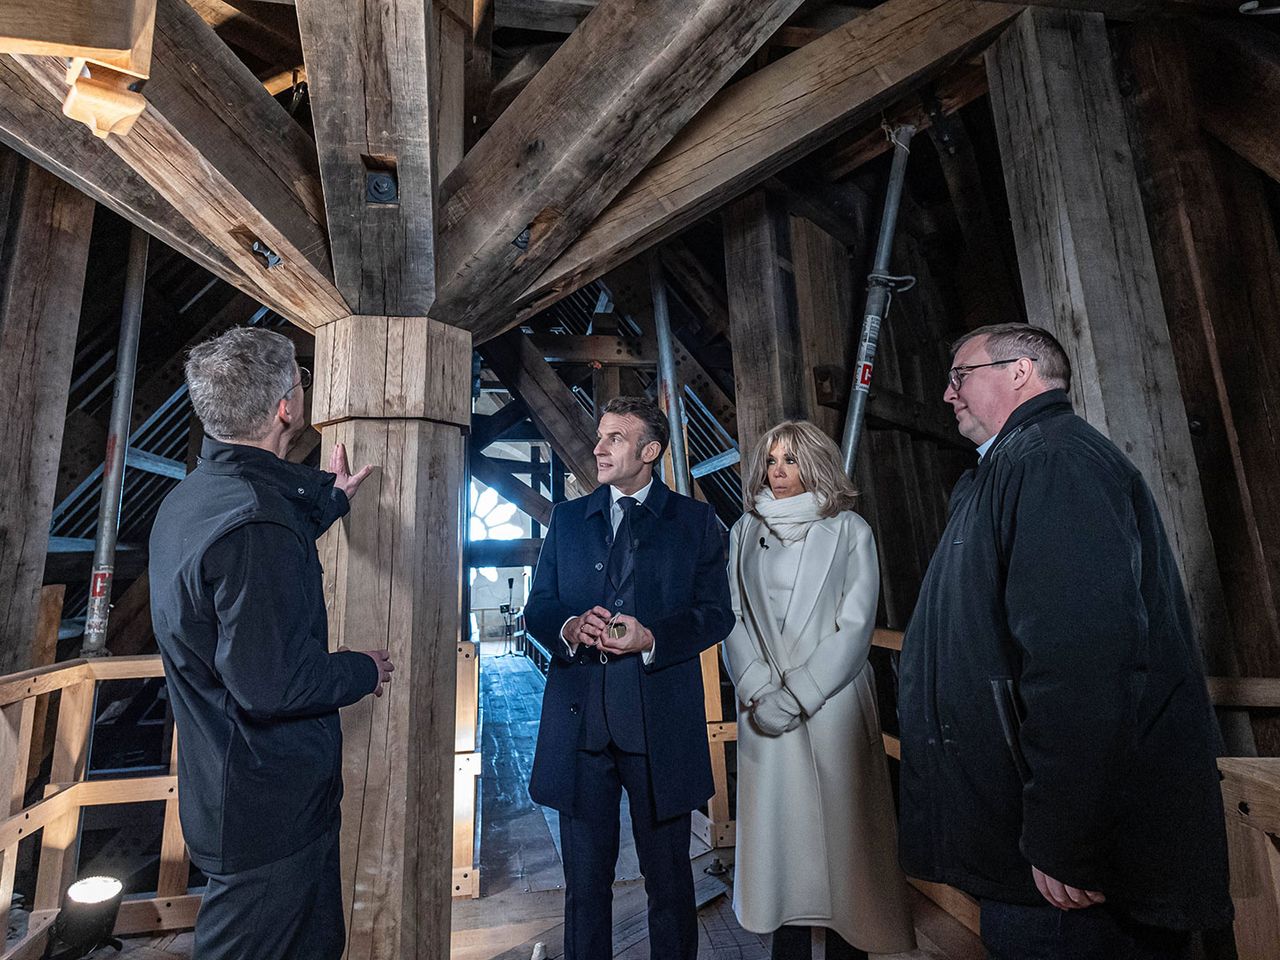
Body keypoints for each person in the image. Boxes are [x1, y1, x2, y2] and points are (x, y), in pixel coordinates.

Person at [897, 323, 1233, 959]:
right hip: (1023, 839)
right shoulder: (1006, 469)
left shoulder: (1054, 461)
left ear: (1021, 372)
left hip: (1057, 863)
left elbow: (1083, 659)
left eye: (960, 376)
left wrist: (1064, 836)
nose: (948, 394)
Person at [149, 327, 394, 960]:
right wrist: (362, 670)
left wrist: (325, 504)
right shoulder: (255, 524)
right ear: (288, 406)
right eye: (300, 381)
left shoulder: (194, 500)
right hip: (269, 809)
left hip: (233, 793)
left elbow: (248, 571)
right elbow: (272, 685)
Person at [525, 396, 734, 960]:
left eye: (615, 437)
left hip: (658, 729)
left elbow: (717, 614)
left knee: (670, 882)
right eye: (600, 436)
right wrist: (569, 626)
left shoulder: (694, 522)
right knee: (585, 888)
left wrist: (651, 638)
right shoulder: (568, 521)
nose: (598, 447)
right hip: (582, 729)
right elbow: (537, 607)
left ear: (650, 450)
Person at [722, 420, 915, 960]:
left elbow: (856, 625)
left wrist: (800, 692)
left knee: (847, 852)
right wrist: (761, 688)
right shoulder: (743, 531)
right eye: (770, 461)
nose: (776, 472)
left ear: (815, 464)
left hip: (833, 708)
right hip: (765, 713)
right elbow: (730, 616)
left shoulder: (850, 529)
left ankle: (851, 947)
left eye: (789, 460)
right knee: (780, 860)